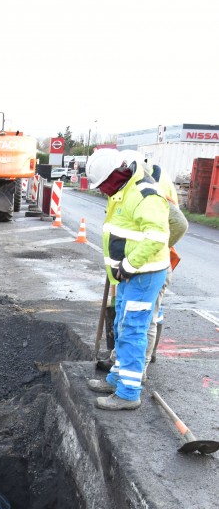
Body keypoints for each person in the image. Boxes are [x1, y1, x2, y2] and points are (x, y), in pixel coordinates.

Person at [85, 148, 171, 411]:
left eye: (103, 185)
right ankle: (116, 379)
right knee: (122, 327)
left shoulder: (144, 194)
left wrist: (130, 265)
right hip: (126, 276)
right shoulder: (123, 191)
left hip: (142, 275)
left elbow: (157, 236)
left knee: (133, 331)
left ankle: (129, 392)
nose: (102, 191)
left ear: (117, 174)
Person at [96, 152, 188, 377]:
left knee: (142, 323)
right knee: (126, 322)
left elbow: (176, 226)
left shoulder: (148, 189)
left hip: (149, 268)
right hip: (131, 270)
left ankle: (138, 372)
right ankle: (121, 367)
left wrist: (144, 255)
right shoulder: (124, 189)